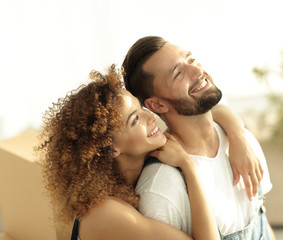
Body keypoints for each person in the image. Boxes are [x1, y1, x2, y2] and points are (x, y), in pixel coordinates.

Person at [36, 64, 254, 240]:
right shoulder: (105, 212)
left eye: (141, 108)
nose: (150, 116)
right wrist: (189, 167)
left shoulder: (146, 158)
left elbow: (208, 113)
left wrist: (237, 135)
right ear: (111, 149)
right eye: (135, 119)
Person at [122, 36, 276, 239]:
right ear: (157, 106)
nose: (197, 71)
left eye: (191, 59)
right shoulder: (161, 188)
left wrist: (237, 133)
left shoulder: (243, 143)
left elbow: (264, 226)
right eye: (178, 74)